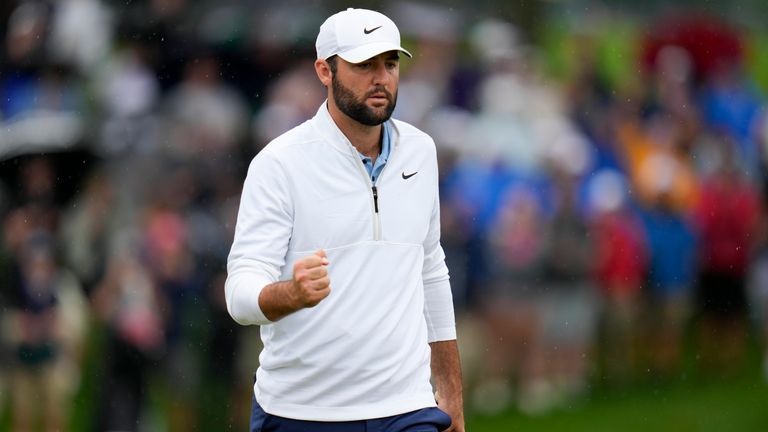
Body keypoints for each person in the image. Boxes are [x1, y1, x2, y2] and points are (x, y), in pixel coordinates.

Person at [225, 8, 464, 432]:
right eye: (363, 65)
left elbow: (431, 271)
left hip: (407, 406)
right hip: (303, 411)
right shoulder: (279, 163)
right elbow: (240, 294)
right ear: (324, 70)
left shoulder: (421, 152)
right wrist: (290, 294)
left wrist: (451, 399)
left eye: (390, 64)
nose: (381, 78)